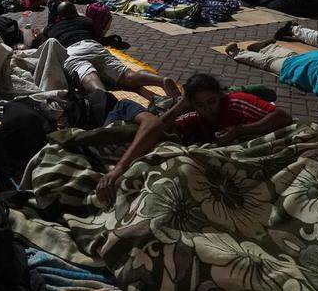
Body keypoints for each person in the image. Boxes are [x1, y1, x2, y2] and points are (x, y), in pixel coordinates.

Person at [96, 74, 291, 202]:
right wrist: (178, 107)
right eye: (200, 105)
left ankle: (255, 89)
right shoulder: (196, 115)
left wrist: (242, 130)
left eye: (211, 102)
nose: (207, 109)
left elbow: (283, 117)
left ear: (220, 96)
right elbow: (160, 128)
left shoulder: (235, 103)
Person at [47, 2, 179, 114]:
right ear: (75, 12)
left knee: (90, 77)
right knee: (128, 75)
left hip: (72, 52)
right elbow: (96, 34)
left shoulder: (52, 29)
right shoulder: (86, 21)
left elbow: (46, 44)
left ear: (60, 16)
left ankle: (107, 101)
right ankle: (162, 80)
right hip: (93, 46)